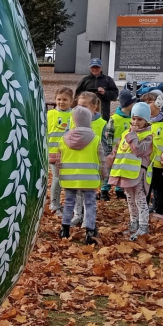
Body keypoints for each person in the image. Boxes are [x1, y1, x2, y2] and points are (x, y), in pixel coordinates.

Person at [52, 105, 102, 245]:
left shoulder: (63, 139)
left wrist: (59, 174)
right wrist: (103, 175)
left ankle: (65, 229)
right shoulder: (95, 139)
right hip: (89, 179)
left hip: (69, 179)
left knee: (68, 203)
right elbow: (102, 159)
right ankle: (90, 232)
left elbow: (58, 161)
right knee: (90, 204)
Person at [108, 102, 154, 240]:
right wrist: (109, 161)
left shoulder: (148, 136)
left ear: (146, 120)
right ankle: (134, 223)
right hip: (126, 174)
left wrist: (132, 135)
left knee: (140, 201)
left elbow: (139, 150)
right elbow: (117, 150)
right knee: (130, 200)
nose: (136, 122)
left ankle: (143, 226)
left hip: (138, 175)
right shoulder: (125, 133)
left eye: (140, 119)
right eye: (134, 118)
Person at [69, 92, 106, 227]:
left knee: (88, 194)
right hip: (77, 162)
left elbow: (104, 144)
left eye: (84, 106)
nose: (80, 109)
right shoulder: (73, 119)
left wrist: (103, 166)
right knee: (77, 191)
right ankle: (77, 215)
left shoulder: (101, 123)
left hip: (92, 164)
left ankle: (88, 219)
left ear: (94, 107)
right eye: (78, 105)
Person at [143, 92, 163, 219]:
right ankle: (144, 211)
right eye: (144, 102)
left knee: (159, 189)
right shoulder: (142, 123)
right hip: (145, 163)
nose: (146, 105)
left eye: (149, 102)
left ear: (158, 103)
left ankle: (159, 211)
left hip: (159, 164)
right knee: (145, 189)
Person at [101, 89, 135, 200]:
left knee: (121, 170)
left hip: (125, 151)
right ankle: (104, 190)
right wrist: (109, 151)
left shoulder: (132, 119)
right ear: (128, 103)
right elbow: (109, 136)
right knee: (110, 170)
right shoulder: (114, 119)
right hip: (114, 150)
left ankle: (119, 190)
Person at [47, 88, 75, 214]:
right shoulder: (50, 114)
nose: (61, 102)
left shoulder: (74, 115)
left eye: (65, 99)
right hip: (53, 152)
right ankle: (54, 204)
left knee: (66, 179)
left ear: (71, 101)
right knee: (57, 178)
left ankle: (66, 204)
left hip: (69, 153)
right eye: (59, 99)